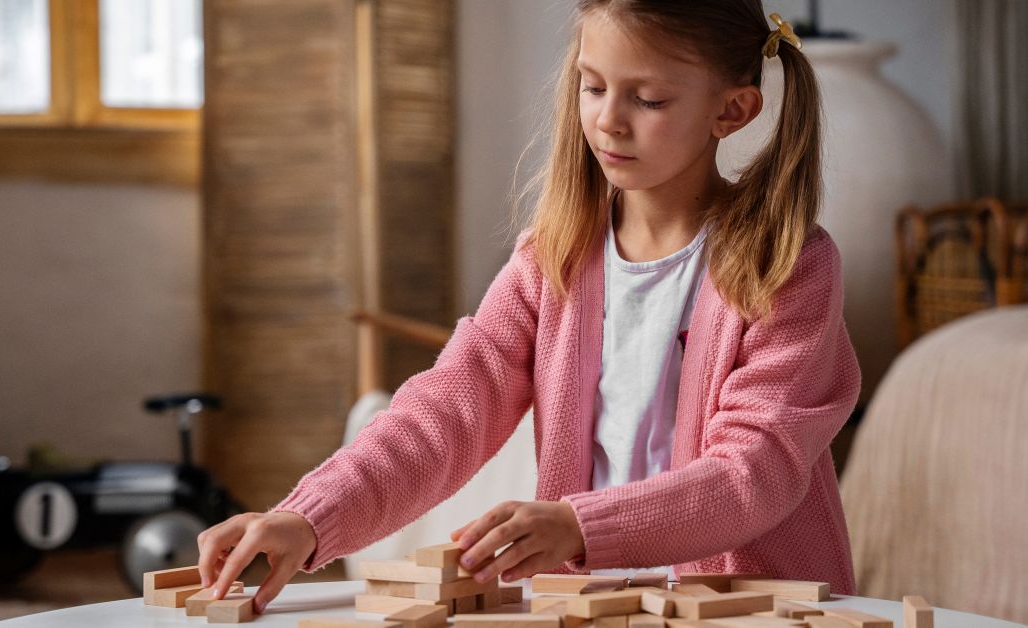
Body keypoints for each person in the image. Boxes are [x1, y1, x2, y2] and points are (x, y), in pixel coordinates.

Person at [197, 0, 861, 614]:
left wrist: (577, 526)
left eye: (649, 98)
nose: (608, 118)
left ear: (733, 111)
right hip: (588, 605)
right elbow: (445, 412)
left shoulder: (791, 266)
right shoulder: (552, 259)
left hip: (748, 610)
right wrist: (309, 517)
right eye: (593, 85)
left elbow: (752, 474)